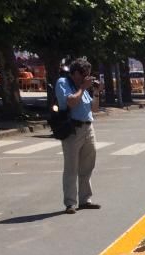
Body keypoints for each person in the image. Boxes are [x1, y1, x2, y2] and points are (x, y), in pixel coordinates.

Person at [56, 58, 101, 215]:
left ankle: (85, 199)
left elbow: (94, 109)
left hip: (88, 127)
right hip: (72, 129)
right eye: (84, 75)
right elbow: (71, 102)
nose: (87, 78)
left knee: (87, 166)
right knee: (71, 168)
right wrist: (83, 87)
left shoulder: (83, 87)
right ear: (75, 73)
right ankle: (70, 203)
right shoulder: (64, 82)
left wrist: (95, 91)